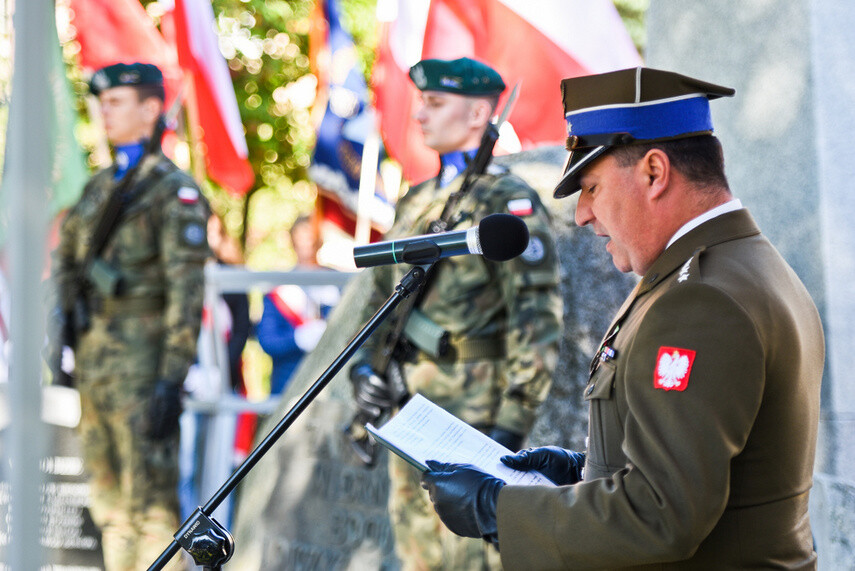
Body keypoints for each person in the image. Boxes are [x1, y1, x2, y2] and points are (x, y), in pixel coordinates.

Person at [420, 67, 825, 569]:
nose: (582, 214)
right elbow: (694, 472)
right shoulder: (733, 267)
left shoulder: (701, 301)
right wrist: (579, 472)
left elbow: (660, 515)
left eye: (591, 188)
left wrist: (496, 508)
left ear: (655, 172)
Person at [350, 57, 562, 570]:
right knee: (417, 552)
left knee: (468, 558)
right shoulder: (418, 200)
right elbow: (381, 302)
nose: (420, 114)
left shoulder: (508, 203)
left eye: (436, 103)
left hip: (473, 414)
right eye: (422, 101)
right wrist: (361, 370)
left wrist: (509, 430)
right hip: (408, 405)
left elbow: (537, 322)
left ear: (477, 116)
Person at [50, 62, 210, 571]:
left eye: (117, 101)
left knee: (153, 511)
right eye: (103, 102)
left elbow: (187, 294)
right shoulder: (98, 189)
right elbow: (67, 264)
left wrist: (171, 377)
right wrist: (62, 341)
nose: (104, 112)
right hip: (96, 364)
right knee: (109, 507)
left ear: (151, 109)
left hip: (145, 369)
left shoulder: (172, 191)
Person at [257, 215, 340, 396]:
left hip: (328, 382)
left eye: (310, 236)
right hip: (288, 384)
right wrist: (297, 339)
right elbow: (267, 340)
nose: (306, 242)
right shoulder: (280, 286)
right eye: (301, 237)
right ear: (292, 241)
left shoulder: (337, 281)